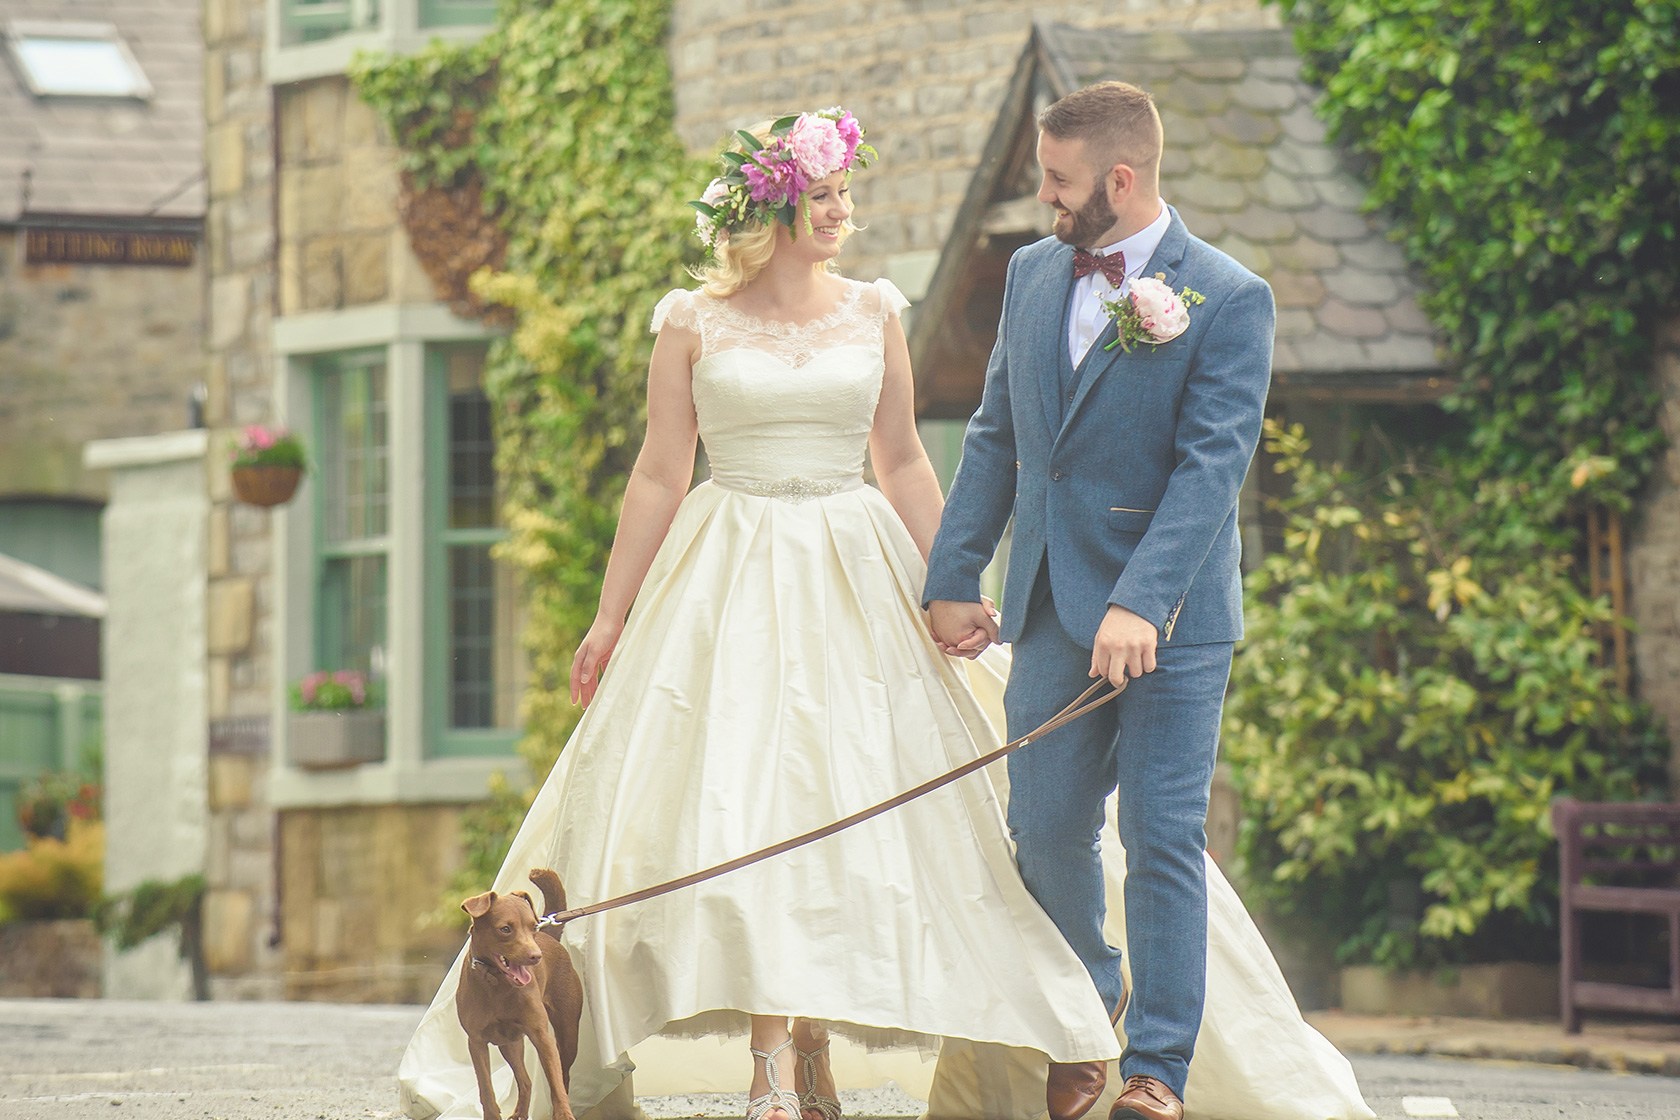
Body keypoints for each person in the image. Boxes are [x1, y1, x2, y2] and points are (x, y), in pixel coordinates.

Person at [397, 108, 1121, 1120]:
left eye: (843, 195)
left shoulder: (875, 310)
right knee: (745, 796)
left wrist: (958, 579)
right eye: (823, 196)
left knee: (843, 801)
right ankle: (774, 1064)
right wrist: (610, 619)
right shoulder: (692, 319)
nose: (842, 212)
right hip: (725, 573)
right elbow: (659, 471)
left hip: (854, 567)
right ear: (771, 205)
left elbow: (906, 458)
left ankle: (810, 1046)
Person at [924, 80, 1275, 1120]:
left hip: (1176, 622)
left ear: (1121, 180)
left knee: (1163, 834)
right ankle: (1088, 1001)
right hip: (1045, 605)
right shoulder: (1035, 274)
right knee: (1043, 824)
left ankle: (1154, 1069)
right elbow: (997, 435)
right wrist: (953, 576)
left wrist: (1141, 601)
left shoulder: (1227, 295)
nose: (1044, 198)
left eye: (1059, 180)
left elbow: (1215, 469)